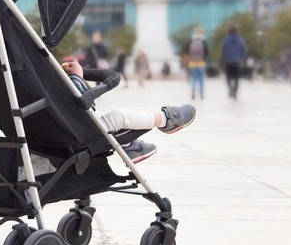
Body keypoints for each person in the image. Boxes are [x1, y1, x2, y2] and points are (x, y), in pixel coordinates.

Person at [63, 60, 196, 163]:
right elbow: (83, 101)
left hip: (62, 131)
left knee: (96, 117)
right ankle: (165, 120)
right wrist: (77, 76)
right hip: (77, 134)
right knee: (119, 117)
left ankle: (127, 144)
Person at [221, 26, 247, 99]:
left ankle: (230, 88)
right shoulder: (240, 40)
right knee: (236, 78)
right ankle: (235, 92)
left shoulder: (225, 40)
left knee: (228, 77)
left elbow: (223, 51)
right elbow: (243, 51)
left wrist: (223, 60)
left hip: (228, 62)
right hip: (237, 62)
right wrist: (241, 59)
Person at [185, 26, 209, 100]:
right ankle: (201, 93)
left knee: (194, 78)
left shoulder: (191, 40)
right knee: (201, 79)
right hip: (201, 63)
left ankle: (193, 90)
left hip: (192, 63)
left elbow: (186, 50)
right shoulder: (203, 41)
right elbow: (207, 52)